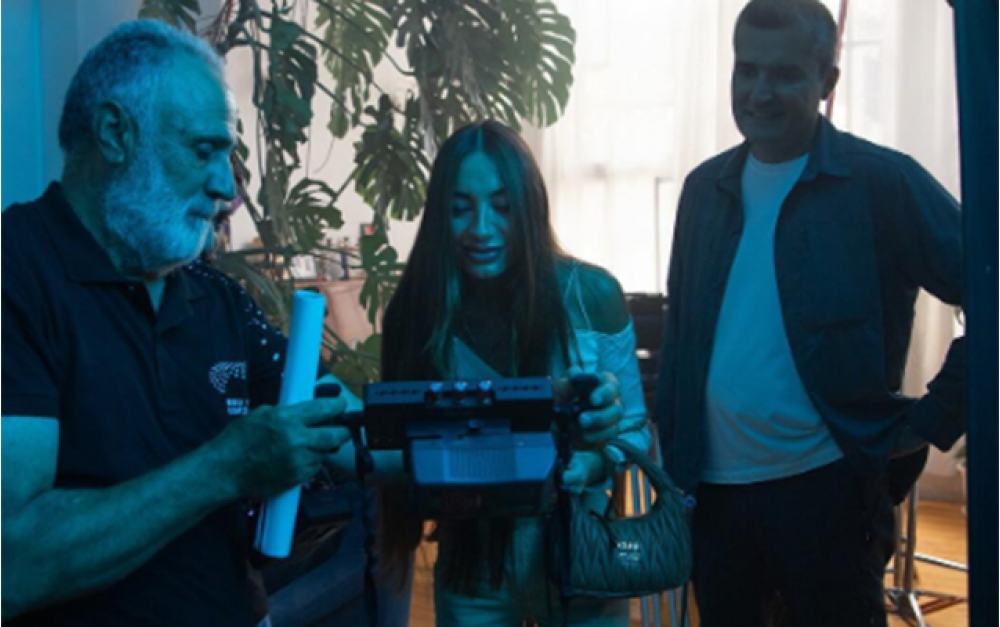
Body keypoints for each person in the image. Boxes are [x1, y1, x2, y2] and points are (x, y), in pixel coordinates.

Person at [0, 21, 356, 627]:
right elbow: (13, 563)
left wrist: (490, 423)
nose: (227, 187)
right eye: (203, 150)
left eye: (228, 154)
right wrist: (225, 467)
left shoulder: (216, 298)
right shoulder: (17, 273)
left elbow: (347, 427)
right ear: (116, 133)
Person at [654, 1, 966, 626]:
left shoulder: (883, 183)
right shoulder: (702, 190)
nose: (758, 93)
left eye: (785, 74)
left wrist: (930, 419)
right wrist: (673, 470)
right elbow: (683, 338)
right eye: (747, 70)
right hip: (714, 499)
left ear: (828, 82)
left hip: (829, 493)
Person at [377, 120, 650, 626]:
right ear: (438, 215)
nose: (481, 228)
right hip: (471, 566)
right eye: (460, 208)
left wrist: (590, 462)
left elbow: (634, 432)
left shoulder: (592, 295)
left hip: (579, 557)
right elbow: (392, 445)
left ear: (530, 207)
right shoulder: (415, 312)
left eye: (502, 207)